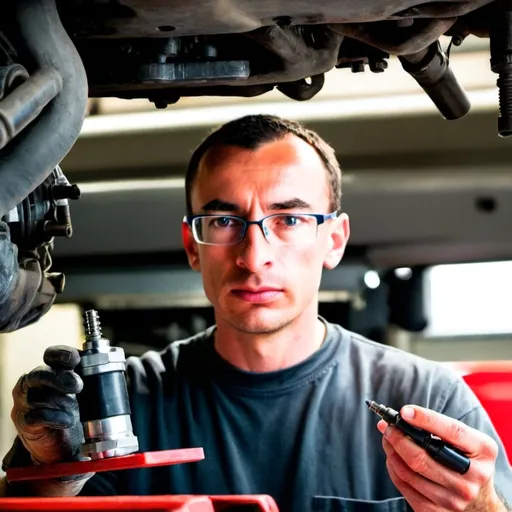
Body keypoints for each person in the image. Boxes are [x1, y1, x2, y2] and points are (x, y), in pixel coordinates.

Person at [1, 114, 511, 511]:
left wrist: (479, 506)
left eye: (288, 218)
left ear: (333, 239)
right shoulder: (120, 405)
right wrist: (53, 473)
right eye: (224, 220)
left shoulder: (429, 400)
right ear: (192, 244)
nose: (254, 255)